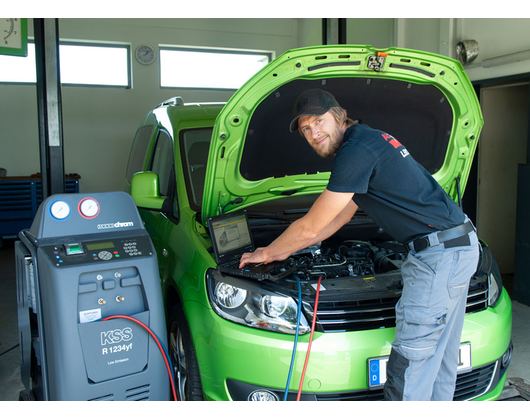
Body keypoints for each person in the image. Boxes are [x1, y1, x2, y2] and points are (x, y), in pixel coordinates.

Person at [239, 89, 480, 401]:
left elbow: (312, 223)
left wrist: (267, 252)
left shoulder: (356, 151)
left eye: (319, 121)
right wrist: (290, 249)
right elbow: (339, 217)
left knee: (411, 362)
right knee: (440, 360)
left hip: (437, 257)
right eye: (305, 129)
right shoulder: (368, 139)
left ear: (339, 115)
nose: (314, 133)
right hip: (458, 246)